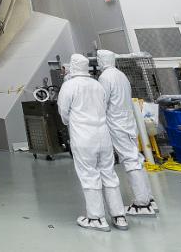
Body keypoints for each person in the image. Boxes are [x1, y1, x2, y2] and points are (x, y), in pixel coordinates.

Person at [57, 54, 129, 232]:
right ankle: (119, 216)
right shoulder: (97, 85)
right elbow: (104, 106)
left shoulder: (69, 86)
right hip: (103, 136)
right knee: (109, 175)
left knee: (89, 175)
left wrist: (72, 121)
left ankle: (96, 218)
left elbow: (63, 113)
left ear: (72, 67)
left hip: (83, 138)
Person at [96, 49, 159, 216]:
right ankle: (148, 198)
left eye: (99, 59)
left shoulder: (105, 77)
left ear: (102, 61)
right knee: (136, 158)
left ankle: (142, 204)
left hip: (117, 122)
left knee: (130, 160)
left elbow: (102, 101)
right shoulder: (121, 75)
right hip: (129, 121)